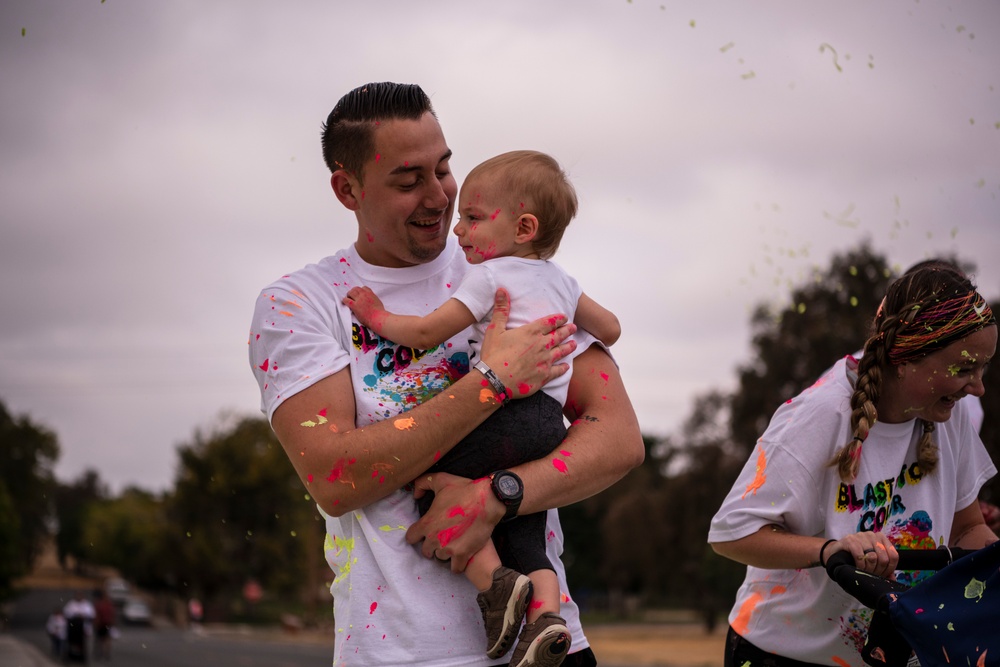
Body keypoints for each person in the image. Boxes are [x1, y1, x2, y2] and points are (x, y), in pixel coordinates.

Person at [248, 82, 644, 667]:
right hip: (400, 655)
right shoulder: (299, 304)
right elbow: (335, 477)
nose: (439, 196)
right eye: (409, 181)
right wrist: (492, 381)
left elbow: (618, 438)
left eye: (444, 168)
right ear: (347, 189)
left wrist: (498, 497)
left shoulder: (516, 268)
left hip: (554, 651)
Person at [342, 149, 620, 665]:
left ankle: (497, 586)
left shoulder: (492, 277)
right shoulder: (563, 281)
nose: (459, 230)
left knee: (428, 480)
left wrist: (375, 314)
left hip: (504, 412)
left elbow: (427, 332)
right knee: (526, 527)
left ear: (523, 226)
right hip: (547, 426)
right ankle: (545, 623)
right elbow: (611, 329)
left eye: (473, 218)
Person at [708, 263, 998, 667]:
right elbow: (730, 533)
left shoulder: (949, 416)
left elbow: (966, 527)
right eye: (964, 368)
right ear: (906, 356)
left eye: (983, 367)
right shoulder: (817, 416)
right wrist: (829, 550)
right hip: (782, 654)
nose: (978, 386)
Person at [93, 589, 116, 661]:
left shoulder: (99, 604)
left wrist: (95, 623)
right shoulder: (108, 604)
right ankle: (104, 653)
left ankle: (102, 653)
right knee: (105, 639)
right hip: (106, 623)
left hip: (102, 624)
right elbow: (112, 614)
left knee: (102, 639)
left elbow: (96, 615)